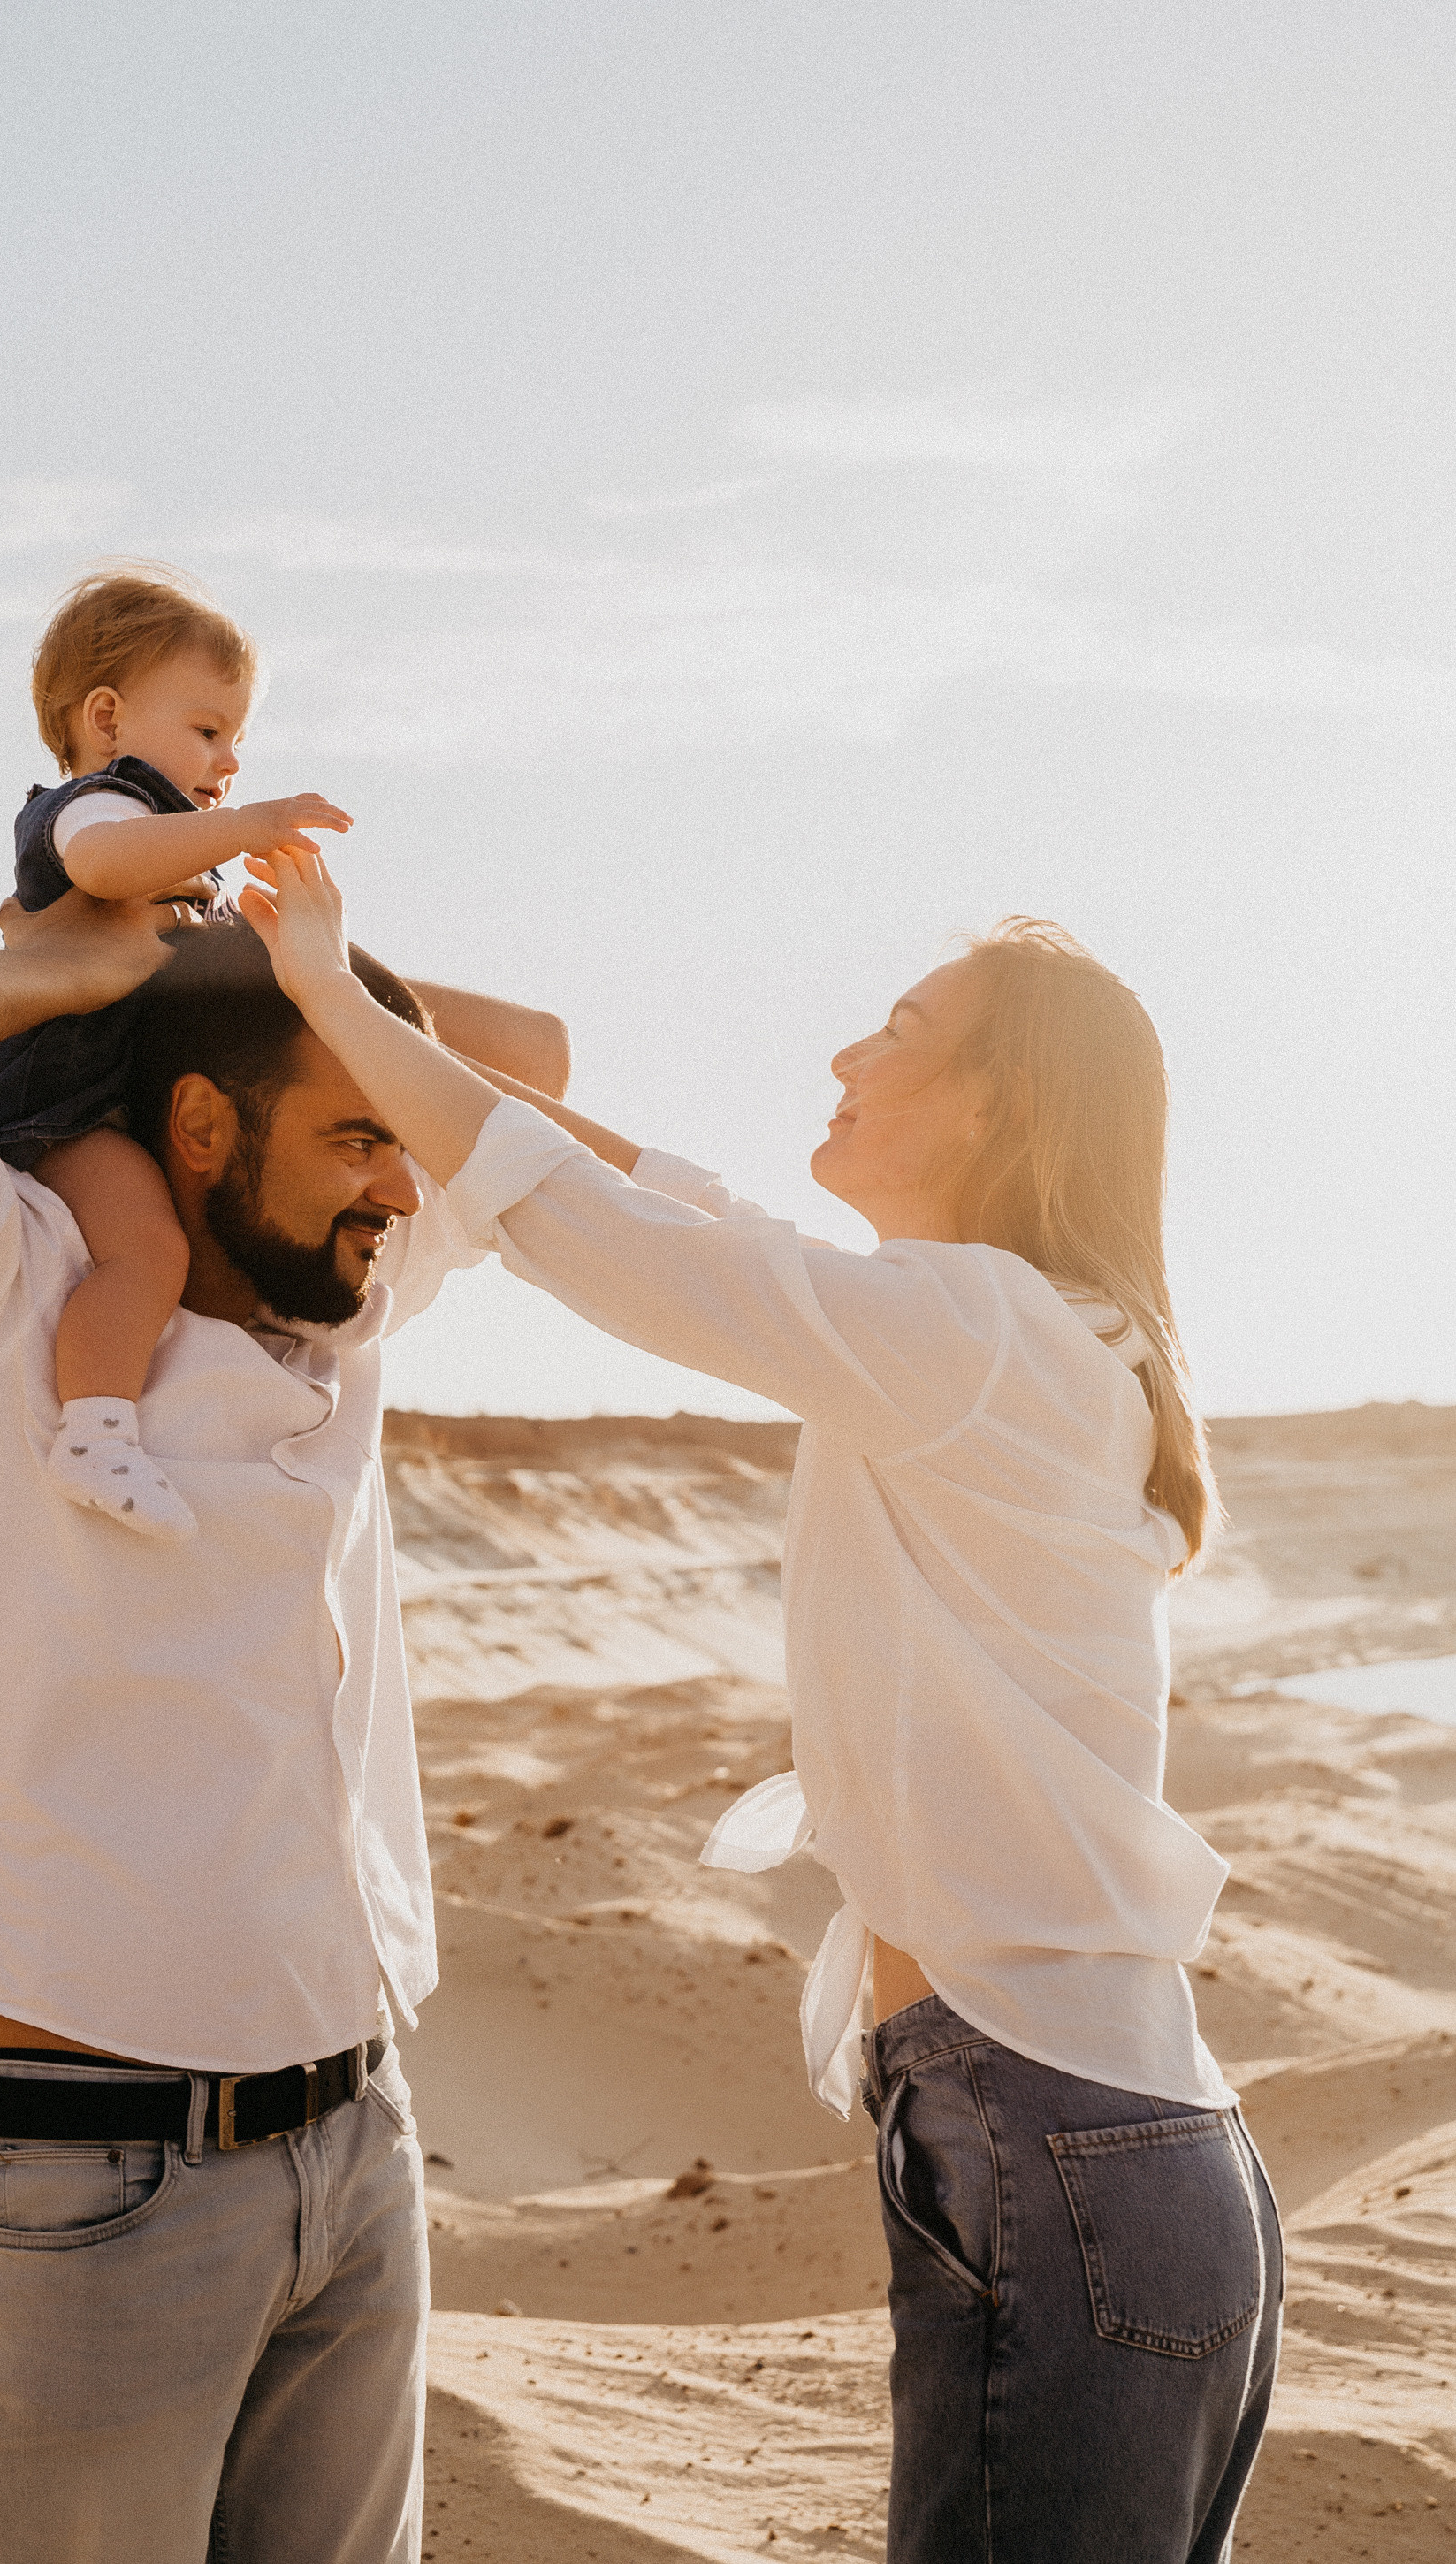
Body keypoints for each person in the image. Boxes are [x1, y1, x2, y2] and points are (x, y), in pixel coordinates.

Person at [237, 848, 1282, 2564]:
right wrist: (373, 1021)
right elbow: (662, 1201)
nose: (841, 1059)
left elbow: (604, 1241)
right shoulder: (1008, 1336)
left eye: (894, 1029)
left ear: (999, 1100)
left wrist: (330, 1001)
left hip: (1057, 2147)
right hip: (1102, 2150)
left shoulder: (979, 1336)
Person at [0, 891, 568, 2564]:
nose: (400, 1187)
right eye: (356, 1135)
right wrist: (91, 966)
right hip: (94, 2185)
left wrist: (292, 956)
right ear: (198, 1127)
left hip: (359, 2148)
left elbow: (539, 1062)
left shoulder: (346, 1291)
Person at [0, 564, 355, 1538]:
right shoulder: (97, 804)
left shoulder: (167, 835)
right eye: (209, 730)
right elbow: (102, 866)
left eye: (239, 739)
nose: (230, 760)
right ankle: (94, 1431)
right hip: (56, 1102)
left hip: (111, 1088)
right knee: (147, 1249)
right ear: (108, 717)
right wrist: (243, 826)